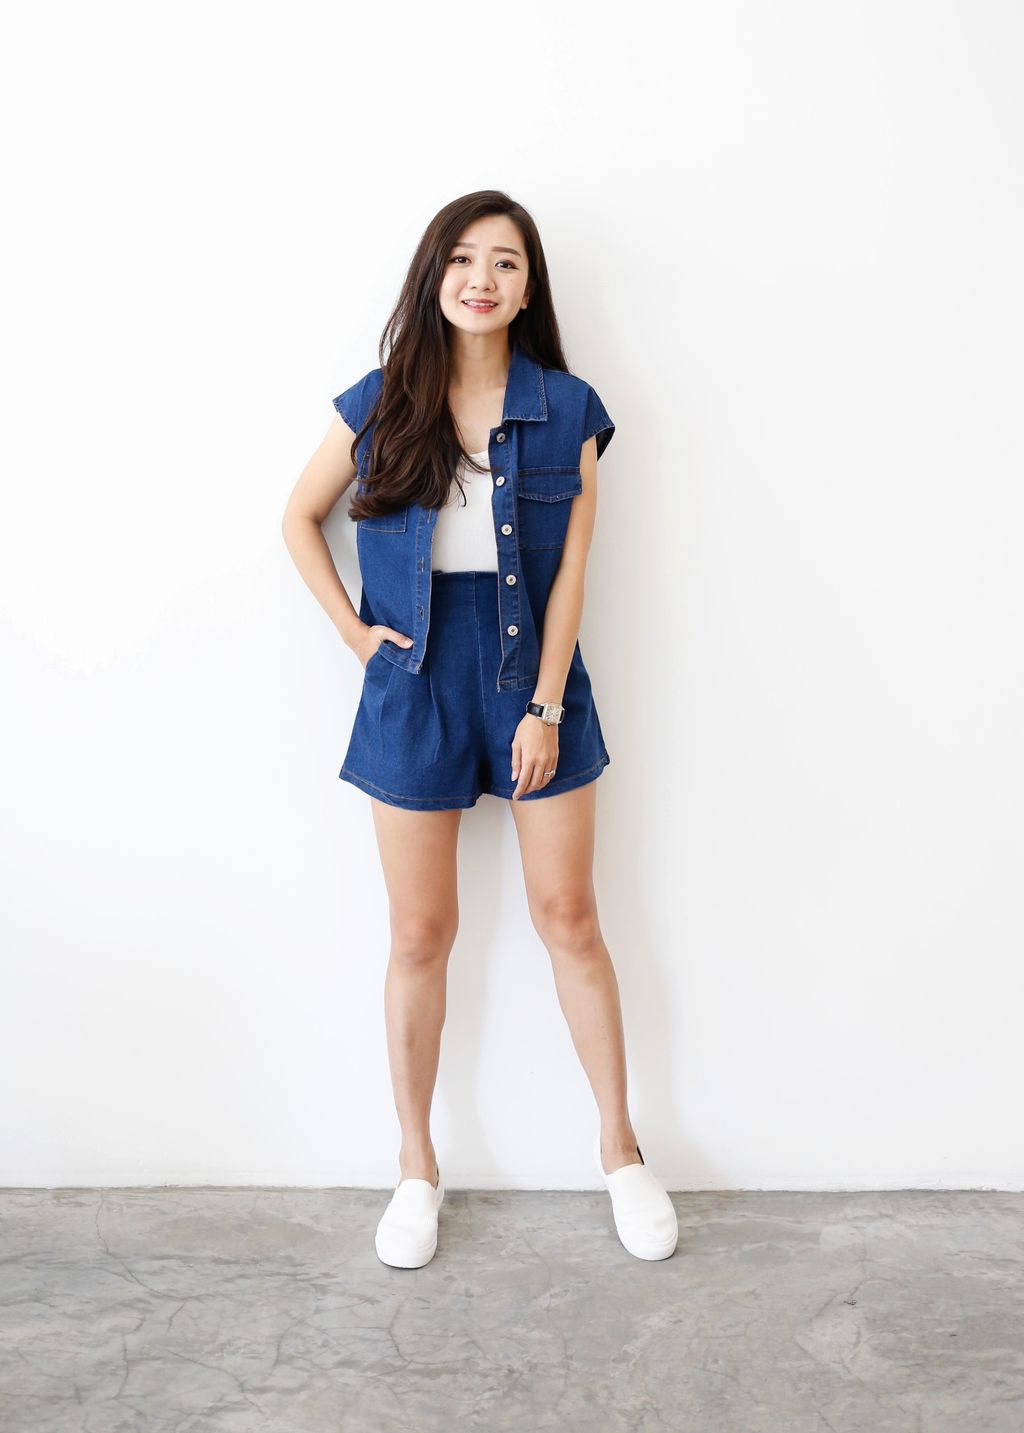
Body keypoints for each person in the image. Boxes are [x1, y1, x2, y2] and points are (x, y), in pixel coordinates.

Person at [281, 190, 677, 1267]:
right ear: (434, 275)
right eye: (462, 258)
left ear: (528, 286)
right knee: (419, 933)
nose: (481, 279)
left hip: (530, 674)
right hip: (413, 680)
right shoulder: (381, 401)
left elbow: (574, 570)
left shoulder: (567, 407)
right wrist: (357, 637)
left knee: (569, 915)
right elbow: (297, 517)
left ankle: (621, 1150)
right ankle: (416, 1166)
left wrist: (544, 705)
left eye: (504, 261)